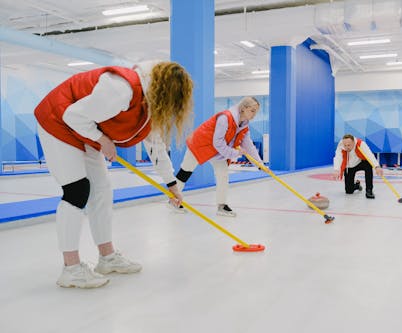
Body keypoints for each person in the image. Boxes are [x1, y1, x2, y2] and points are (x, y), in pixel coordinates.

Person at [34, 61, 193, 288]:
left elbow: (156, 147)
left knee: (102, 190)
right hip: (57, 120)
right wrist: (102, 140)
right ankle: (71, 268)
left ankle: (107, 258)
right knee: (77, 190)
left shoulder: (151, 105)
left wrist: (172, 185)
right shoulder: (121, 89)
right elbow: (73, 116)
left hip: (84, 130)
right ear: (165, 92)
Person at [173, 96, 265, 217]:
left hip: (217, 151)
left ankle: (222, 206)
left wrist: (259, 164)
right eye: (252, 111)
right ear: (243, 108)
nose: (254, 115)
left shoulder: (244, 125)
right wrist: (235, 153)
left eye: (256, 112)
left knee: (223, 175)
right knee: (186, 171)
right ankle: (173, 200)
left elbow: (248, 145)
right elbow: (218, 142)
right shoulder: (225, 118)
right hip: (200, 144)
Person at [332, 134, 383, 199]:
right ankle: (357, 185)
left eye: (349, 145)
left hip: (360, 163)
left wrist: (377, 166)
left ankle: (369, 190)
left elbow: (369, 154)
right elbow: (338, 157)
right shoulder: (341, 145)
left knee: (368, 164)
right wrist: (336, 170)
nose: (347, 147)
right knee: (349, 191)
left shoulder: (361, 144)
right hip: (349, 166)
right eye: (345, 145)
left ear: (353, 142)